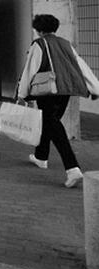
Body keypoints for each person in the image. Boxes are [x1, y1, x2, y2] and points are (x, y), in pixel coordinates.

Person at [17, 14, 99, 188]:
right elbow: (80, 65)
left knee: (52, 124)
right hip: (65, 89)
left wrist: (22, 93)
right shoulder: (65, 43)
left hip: (47, 90)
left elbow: (30, 70)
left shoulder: (39, 44)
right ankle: (41, 157)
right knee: (49, 122)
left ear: (38, 30)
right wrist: (94, 87)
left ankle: (72, 169)